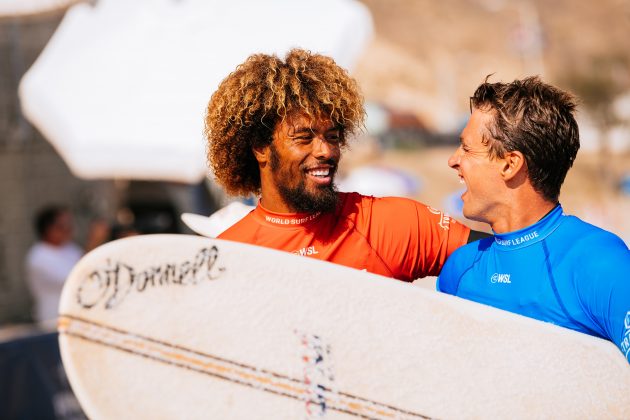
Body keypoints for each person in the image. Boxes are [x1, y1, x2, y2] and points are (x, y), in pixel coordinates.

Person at [204, 48, 486, 282]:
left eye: (332, 137)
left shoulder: (385, 225)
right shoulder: (228, 256)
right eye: (304, 138)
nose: (325, 150)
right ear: (261, 149)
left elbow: (503, 263)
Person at [437, 76, 630, 363]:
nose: (453, 160)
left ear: (509, 164)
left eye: (466, 148)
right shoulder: (460, 268)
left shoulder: (599, 263)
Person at [25, 205, 109, 323]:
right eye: (63, 226)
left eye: (70, 225)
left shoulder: (69, 248)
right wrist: (93, 241)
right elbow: (76, 278)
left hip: (78, 319)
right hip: (54, 321)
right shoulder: (39, 255)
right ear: (49, 228)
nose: (69, 229)